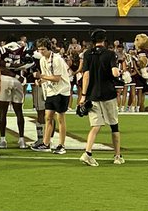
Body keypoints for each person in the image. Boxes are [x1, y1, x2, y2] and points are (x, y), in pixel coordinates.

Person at [78, 29, 125, 166]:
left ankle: (87, 153)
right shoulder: (110, 54)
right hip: (108, 94)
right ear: (104, 40)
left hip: (92, 95)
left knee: (95, 126)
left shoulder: (87, 54)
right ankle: (117, 156)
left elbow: (85, 75)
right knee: (114, 126)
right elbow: (115, 73)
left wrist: (83, 95)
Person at [31, 39, 72, 153]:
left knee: (60, 118)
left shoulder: (57, 59)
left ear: (49, 48)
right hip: (51, 91)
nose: (41, 52)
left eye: (43, 49)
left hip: (62, 91)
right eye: (39, 49)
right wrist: (40, 81)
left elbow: (57, 78)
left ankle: (61, 145)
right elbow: (47, 77)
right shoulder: (42, 60)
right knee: (48, 117)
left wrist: (42, 76)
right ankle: (45, 143)